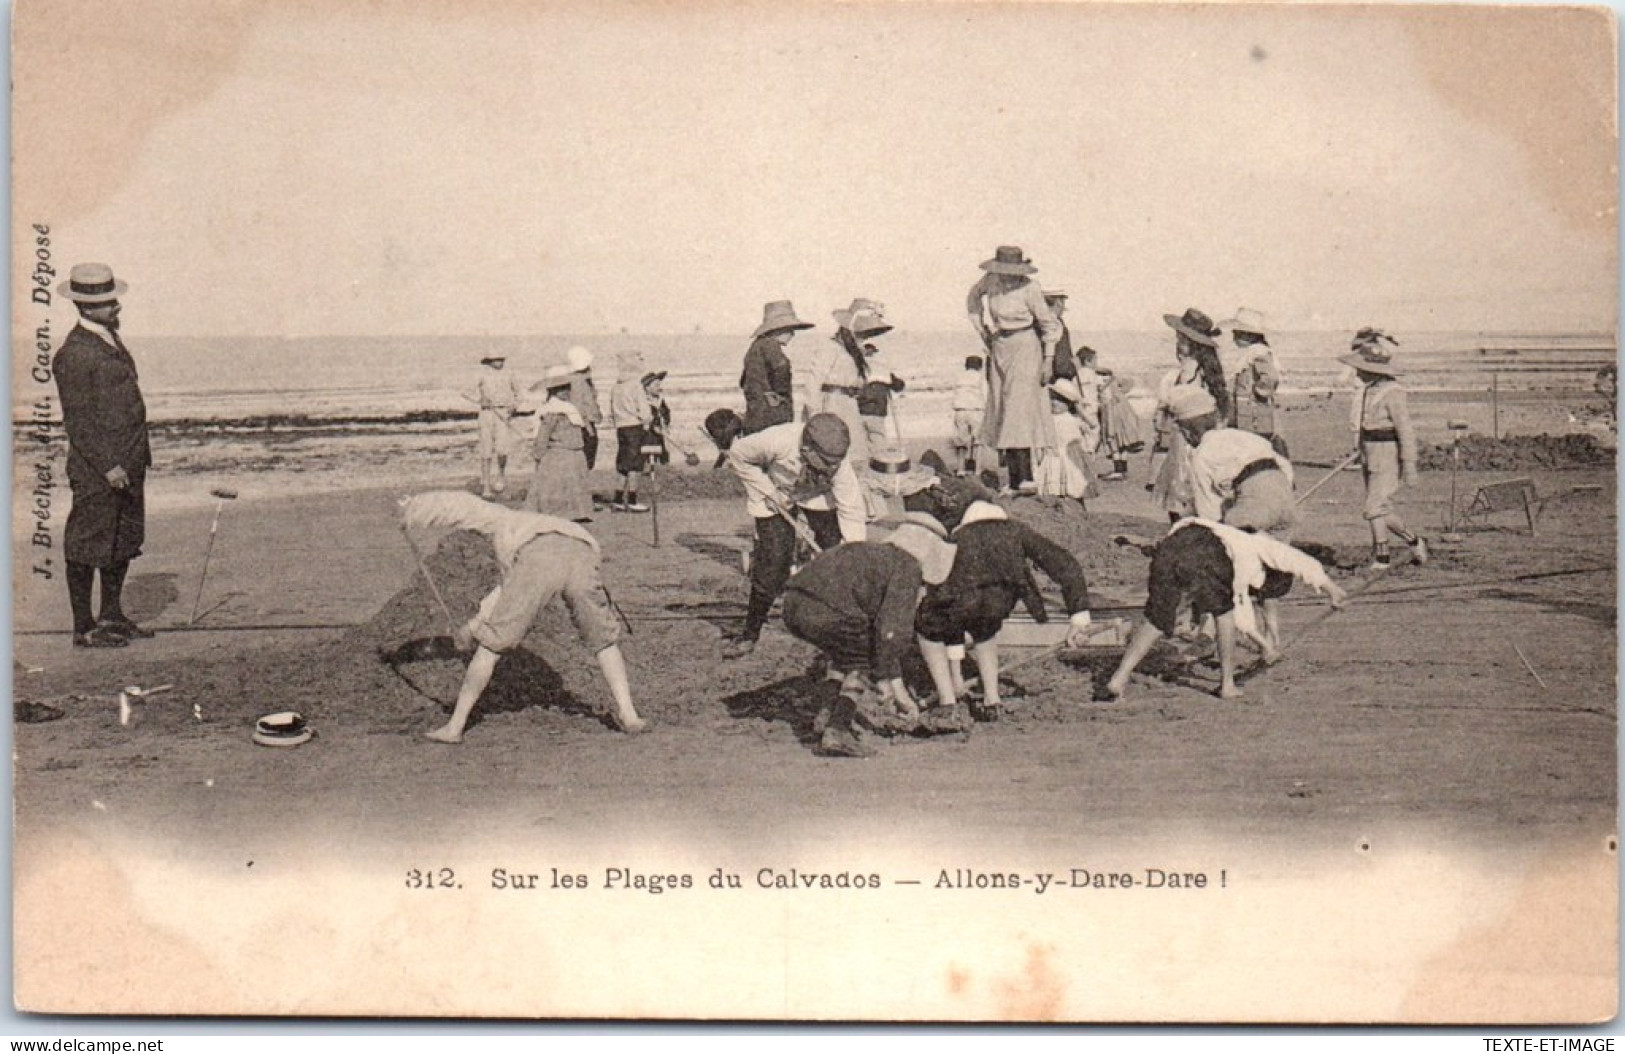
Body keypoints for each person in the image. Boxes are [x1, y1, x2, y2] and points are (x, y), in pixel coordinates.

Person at [401, 491, 645, 742]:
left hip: (539, 556)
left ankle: (454, 727)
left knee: (492, 645)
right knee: (603, 639)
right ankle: (629, 714)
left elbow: (462, 507)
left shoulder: (503, 522)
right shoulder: (548, 522)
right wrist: (472, 626)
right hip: (583, 551)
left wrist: (412, 509)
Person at [1102, 518, 1347, 701]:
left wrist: (1264, 646)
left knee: (1156, 620)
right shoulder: (1259, 544)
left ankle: (1118, 678)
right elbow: (1297, 560)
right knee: (1223, 617)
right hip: (1208, 550)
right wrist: (1332, 589)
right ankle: (1227, 684)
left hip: (1170, 548)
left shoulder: (1228, 533)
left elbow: (1244, 617)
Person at [781, 513, 958, 757]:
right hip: (828, 611)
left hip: (792, 603)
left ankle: (825, 714)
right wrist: (895, 688)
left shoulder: (867, 551)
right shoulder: (907, 566)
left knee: (844, 654)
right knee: (861, 660)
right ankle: (838, 729)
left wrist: (890, 680)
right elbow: (891, 632)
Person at [705, 410, 869, 658]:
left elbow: (851, 510)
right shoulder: (775, 440)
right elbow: (738, 456)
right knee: (773, 565)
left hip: (815, 495)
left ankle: (836, 625)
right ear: (807, 449)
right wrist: (768, 492)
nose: (831, 468)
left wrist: (852, 555)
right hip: (775, 493)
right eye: (825, 463)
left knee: (835, 554)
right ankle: (750, 633)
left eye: (835, 464)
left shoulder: (839, 466)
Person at [915, 489, 1094, 715]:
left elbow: (942, 595)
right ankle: (992, 699)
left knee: (928, 629)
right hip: (1000, 601)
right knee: (985, 629)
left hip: (959, 601)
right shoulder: (1018, 531)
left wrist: (955, 668)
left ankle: (947, 702)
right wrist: (1079, 619)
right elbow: (1066, 565)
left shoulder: (954, 539)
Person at [52, 263, 154, 648]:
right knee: (86, 541)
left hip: (129, 460)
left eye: (114, 300)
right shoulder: (74, 353)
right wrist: (108, 465)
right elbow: (78, 421)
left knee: (123, 539)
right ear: (85, 307)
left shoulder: (109, 339)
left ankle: (112, 615)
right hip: (99, 467)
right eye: (108, 303)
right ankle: (84, 628)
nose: (116, 308)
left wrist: (131, 459)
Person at [1169, 384, 1298, 650]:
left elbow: (1209, 513)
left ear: (1188, 429)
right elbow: (1284, 467)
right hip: (1284, 500)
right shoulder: (1244, 437)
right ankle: (1274, 634)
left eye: (1183, 431)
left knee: (1226, 577)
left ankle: (1252, 642)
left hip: (1253, 506)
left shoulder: (1201, 455)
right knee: (1269, 572)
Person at [966, 246, 1063, 494]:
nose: (1008, 276)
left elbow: (1049, 325)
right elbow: (972, 299)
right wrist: (982, 330)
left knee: (1019, 411)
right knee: (1002, 408)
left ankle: (1025, 477)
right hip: (999, 346)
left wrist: (1048, 360)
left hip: (1026, 346)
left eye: (1012, 272)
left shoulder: (1030, 287)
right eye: (1004, 271)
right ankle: (1013, 477)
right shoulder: (990, 280)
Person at [1340, 330, 1429, 570]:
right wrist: (1359, 449)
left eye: (1361, 368)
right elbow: (1363, 424)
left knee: (1373, 507)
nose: (1357, 372)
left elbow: (1405, 430)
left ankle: (1382, 556)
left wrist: (1409, 464)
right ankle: (1415, 541)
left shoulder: (1393, 393)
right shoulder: (1368, 390)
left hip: (1387, 452)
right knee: (1380, 508)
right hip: (1369, 451)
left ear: (1374, 370)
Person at [1151, 308, 1232, 521]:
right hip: (1197, 432)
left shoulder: (1191, 371)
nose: (1177, 341)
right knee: (1193, 485)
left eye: (1181, 337)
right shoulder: (1204, 370)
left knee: (1184, 484)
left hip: (1189, 434)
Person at [815, 299, 890, 465]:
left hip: (849, 404)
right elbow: (814, 381)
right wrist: (814, 416)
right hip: (832, 404)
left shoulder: (851, 352)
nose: (864, 337)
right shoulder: (830, 347)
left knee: (856, 452)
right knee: (835, 450)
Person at [526, 363, 593, 521]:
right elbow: (543, 434)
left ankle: (578, 513)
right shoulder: (552, 410)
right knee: (556, 486)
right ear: (554, 391)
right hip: (558, 453)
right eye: (563, 389)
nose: (567, 392)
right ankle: (561, 513)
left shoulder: (569, 408)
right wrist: (538, 453)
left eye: (568, 388)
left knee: (575, 483)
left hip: (574, 451)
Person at [1218, 308, 1287, 457]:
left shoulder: (1258, 353)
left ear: (1249, 336)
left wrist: (1257, 393)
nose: (1233, 337)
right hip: (1249, 410)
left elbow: (1270, 377)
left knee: (1254, 446)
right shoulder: (1252, 353)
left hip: (1254, 413)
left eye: (1236, 334)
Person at [740, 300, 813, 434]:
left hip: (756, 415)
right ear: (779, 329)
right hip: (771, 417)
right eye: (790, 330)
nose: (793, 334)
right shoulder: (770, 346)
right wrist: (780, 397)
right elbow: (782, 373)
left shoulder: (757, 346)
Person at [467, 354, 520, 498]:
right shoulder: (481, 374)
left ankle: (501, 476)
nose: (500, 362)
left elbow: (518, 393)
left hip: (503, 413)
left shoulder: (510, 374)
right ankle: (486, 487)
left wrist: (513, 407)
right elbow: (465, 392)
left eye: (502, 359)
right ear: (489, 361)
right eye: (496, 359)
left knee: (502, 450)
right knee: (486, 450)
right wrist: (480, 399)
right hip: (486, 414)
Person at [1034, 377, 1091, 506]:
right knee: (1053, 483)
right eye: (1052, 398)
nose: (1054, 403)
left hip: (1068, 456)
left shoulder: (1073, 420)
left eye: (1060, 400)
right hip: (1051, 455)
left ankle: (1077, 506)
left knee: (1073, 484)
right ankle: (1056, 508)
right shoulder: (1047, 419)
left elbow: (1091, 428)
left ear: (1069, 404)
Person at [608, 352, 653, 513]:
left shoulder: (616, 386)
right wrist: (647, 420)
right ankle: (633, 500)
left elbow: (611, 410)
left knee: (623, 464)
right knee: (635, 465)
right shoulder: (635, 385)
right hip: (635, 426)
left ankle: (618, 499)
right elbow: (644, 410)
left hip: (621, 427)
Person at [1096, 365, 1144, 482]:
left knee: (1114, 444)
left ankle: (1118, 470)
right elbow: (1129, 383)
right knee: (1122, 445)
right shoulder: (1114, 388)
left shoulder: (1105, 391)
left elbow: (1106, 408)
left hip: (1112, 418)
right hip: (1123, 418)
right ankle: (1123, 470)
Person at [856, 342, 906, 449]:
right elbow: (899, 386)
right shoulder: (882, 368)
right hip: (877, 411)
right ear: (874, 353)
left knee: (860, 443)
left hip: (859, 410)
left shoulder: (856, 367)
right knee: (878, 440)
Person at [561, 345, 602, 472]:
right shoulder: (582, 383)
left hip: (569, 424)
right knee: (586, 459)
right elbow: (586, 408)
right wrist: (591, 426)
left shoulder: (567, 380)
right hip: (584, 425)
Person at [950, 354, 988, 475]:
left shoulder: (959, 378)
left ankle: (961, 469)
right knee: (978, 441)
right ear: (980, 367)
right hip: (976, 410)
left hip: (960, 410)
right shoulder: (980, 378)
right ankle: (977, 469)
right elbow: (986, 394)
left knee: (961, 441)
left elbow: (955, 394)